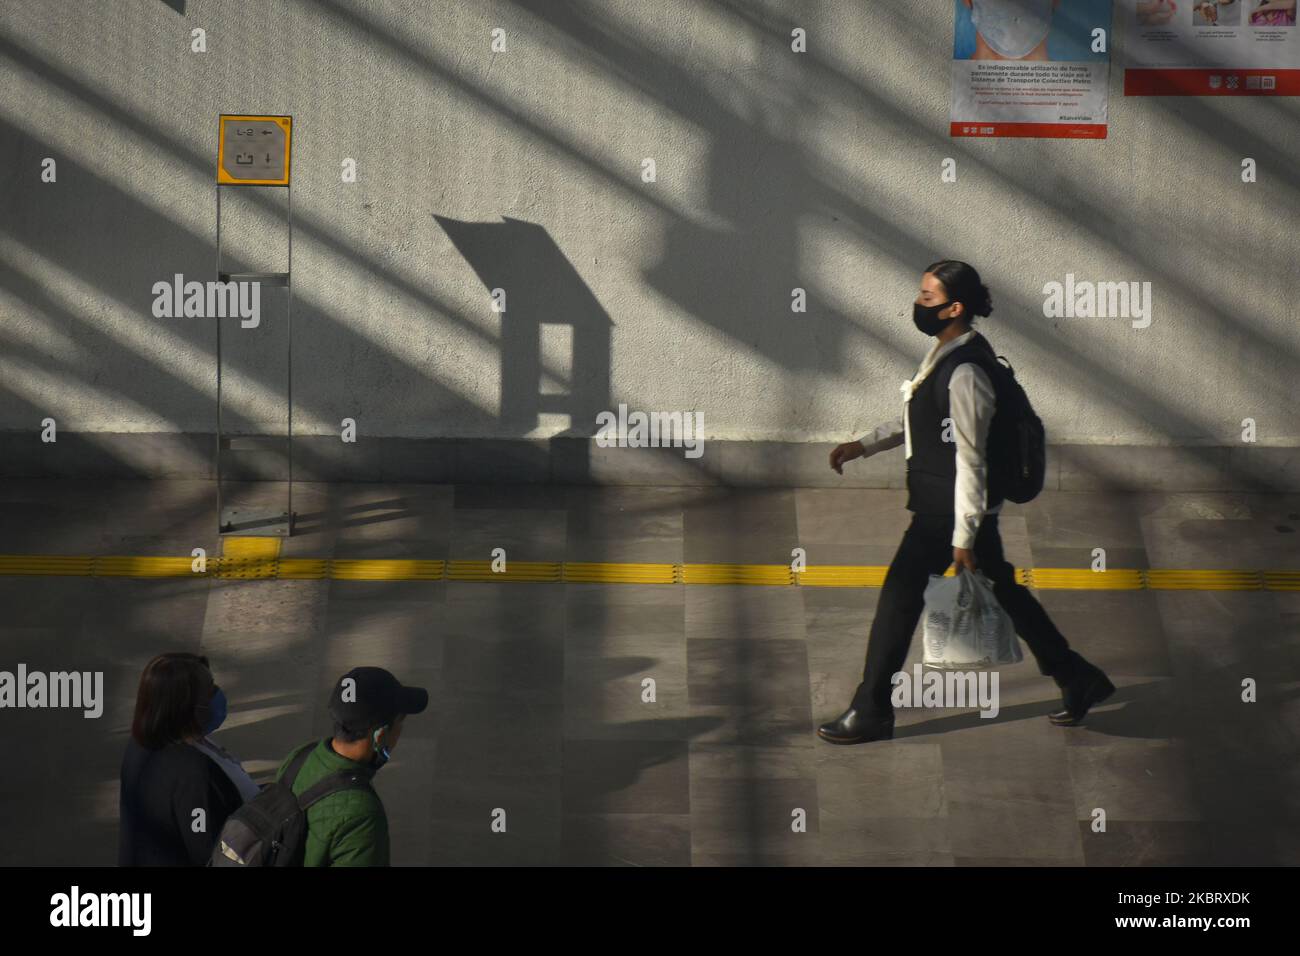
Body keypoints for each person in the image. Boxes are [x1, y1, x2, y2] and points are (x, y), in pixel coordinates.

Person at [820, 260, 1114, 744]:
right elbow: (919, 415)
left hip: (947, 513)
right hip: (948, 507)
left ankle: (871, 709)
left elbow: (971, 459)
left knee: (897, 603)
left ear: (955, 307)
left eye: (927, 298)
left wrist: (963, 535)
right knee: (1003, 591)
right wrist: (864, 445)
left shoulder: (967, 372)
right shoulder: (948, 353)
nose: (918, 305)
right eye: (920, 294)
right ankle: (1077, 677)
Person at [274, 666, 428, 866]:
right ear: (380, 735)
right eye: (400, 722)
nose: (400, 732)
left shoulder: (301, 755)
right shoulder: (362, 815)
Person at [119, 653, 256, 864]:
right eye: (209, 691)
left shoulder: (144, 744)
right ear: (185, 707)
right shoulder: (193, 775)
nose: (217, 695)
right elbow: (208, 851)